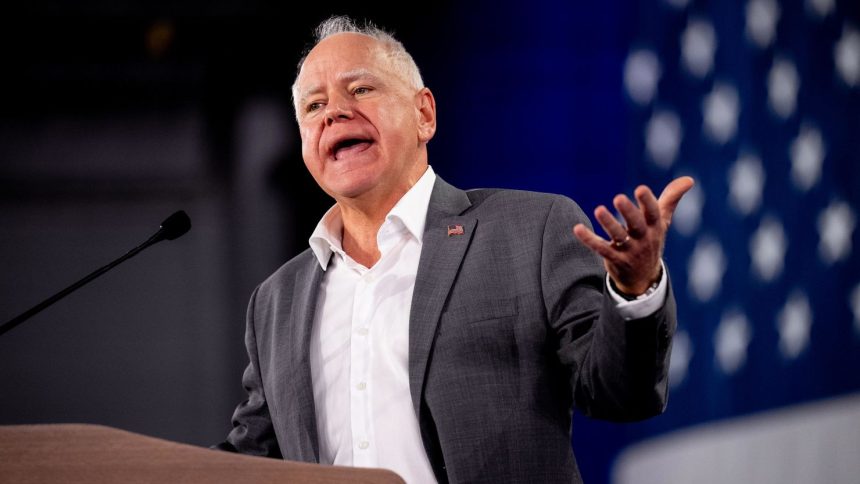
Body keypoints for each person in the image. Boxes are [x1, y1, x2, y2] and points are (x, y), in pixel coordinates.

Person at [216, 15, 694, 484]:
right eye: (313, 106)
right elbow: (248, 460)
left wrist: (635, 290)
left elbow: (620, 394)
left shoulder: (529, 230)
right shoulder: (275, 301)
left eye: (360, 89)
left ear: (424, 114)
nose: (335, 112)